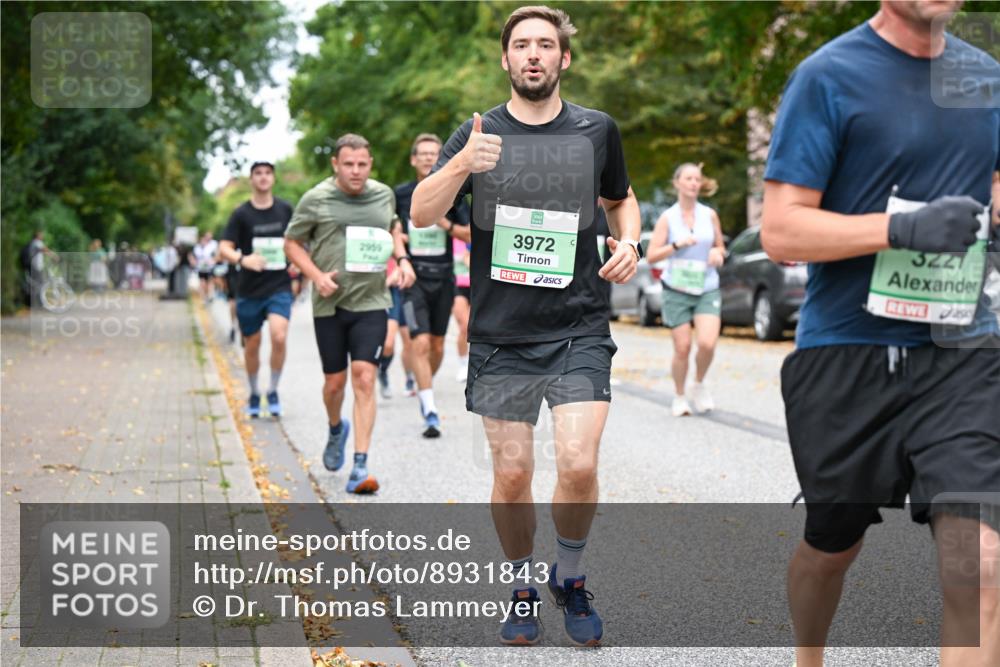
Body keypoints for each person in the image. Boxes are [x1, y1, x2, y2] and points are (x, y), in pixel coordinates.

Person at [761, 2, 1000, 666]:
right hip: (848, 351)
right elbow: (782, 229)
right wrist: (903, 228)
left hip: (962, 351)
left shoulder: (985, 75)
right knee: (832, 544)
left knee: (980, 563)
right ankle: (808, 655)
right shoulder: (828, 75)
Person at [411, 5, 641, 646]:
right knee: (512, 473)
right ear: (505, 59)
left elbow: (622, 199)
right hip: (502, 333)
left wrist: (631, 242)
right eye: (521, 45)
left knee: (577, 459)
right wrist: (461, 164)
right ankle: (519, 584)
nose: (533, 54)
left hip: (579, 327)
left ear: (564, 59)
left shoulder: (597, 129)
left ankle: (568, 574)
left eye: (546, 45)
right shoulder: (478, 131)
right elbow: (423, 212)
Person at [285, 134, 415, 494]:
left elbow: (393, 228)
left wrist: (402, 260)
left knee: (364, 378)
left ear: (370, 164)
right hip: (330, 304)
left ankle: (360, 465)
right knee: (334, 384)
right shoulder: (316, 198)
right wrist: (315, 276)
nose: (356, 171)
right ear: (336, 165)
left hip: (372, 301)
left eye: (362, 164)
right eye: (348, 165)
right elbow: (292, 243)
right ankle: (335, 428)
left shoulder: (383, 194)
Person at [395, 133, 472, 437]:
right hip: (413, 277)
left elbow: (470, 234)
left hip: (444, 277)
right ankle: (429, 409)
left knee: (437, 345)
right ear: (413, 159)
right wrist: (399, 249)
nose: (428, 158)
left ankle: (423, 379)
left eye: (434, 153)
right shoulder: (400, 195)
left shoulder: (453, 193)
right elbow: (392, 229)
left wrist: (445, 224)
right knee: (420, 342)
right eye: (423, 154)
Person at [646, 163, 725, 417]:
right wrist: (677, 245)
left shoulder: (709, 215)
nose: (694, 183)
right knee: (682, 347)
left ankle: (699, 383)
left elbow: (720, 247)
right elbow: (652, 255)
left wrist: (717, 253)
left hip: (706, 286)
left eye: (697, 179)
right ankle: (680, 396)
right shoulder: (667, 217)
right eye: (689, 178)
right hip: (677, 287)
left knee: (707, 343)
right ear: (677, 182)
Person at [219, 161, 294, 418]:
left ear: (274, 179)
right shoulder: (241, 214)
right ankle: (253, 392)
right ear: (251, 180)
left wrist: (297, 260)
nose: (263, 178)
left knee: (279, 336)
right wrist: (243, 259)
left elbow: (299, 241)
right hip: (249, 289)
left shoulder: (285, 210)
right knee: (252, 344)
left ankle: (272, 389)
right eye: (258, 174)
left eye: (267, 173)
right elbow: (224, 248)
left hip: (279, 286)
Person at [376, 257, 413, 399]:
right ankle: (383, 371)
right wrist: (389, 279)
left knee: (410, 341)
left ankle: (410, 379)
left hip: (407, 290)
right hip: (389, 292)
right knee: (388, 344)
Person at [452, 237, 472, 382]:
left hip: (477, 287)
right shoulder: (454, 238)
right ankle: (463, 364)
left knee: (473, 328)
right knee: (464, 326)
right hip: (458, 286)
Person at [193, 231, 219, 300]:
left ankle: (209, 294)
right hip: (201, 268)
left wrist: (213, 261)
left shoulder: (213, 244)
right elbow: (195, 258)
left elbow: (217, 254)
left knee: (210, 281)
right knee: (203, 282)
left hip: (210, 267)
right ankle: (204, 296)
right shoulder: (197, 248)